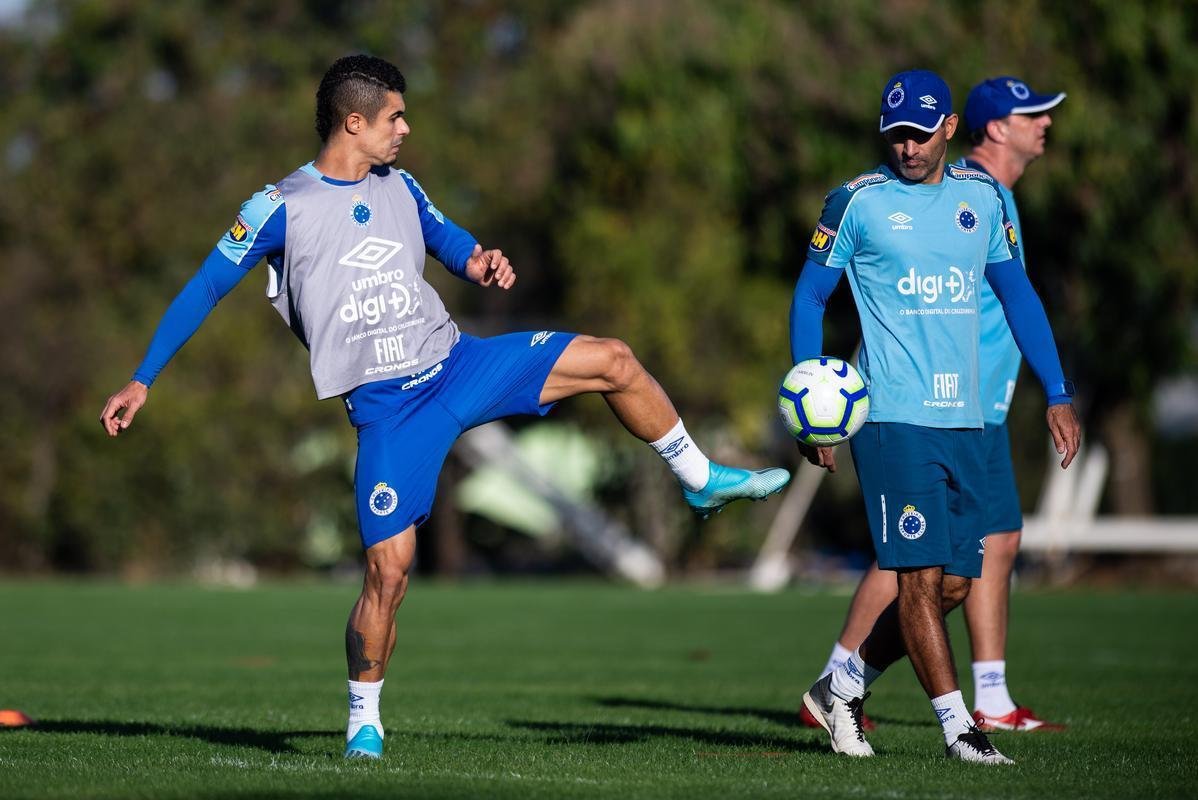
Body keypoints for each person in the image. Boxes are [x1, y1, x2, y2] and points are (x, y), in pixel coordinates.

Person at [99, 55, 790, 760]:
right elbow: (204, 288)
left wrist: (478, 261)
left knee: (613, 359)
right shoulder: (279, 207)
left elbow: (446, 237)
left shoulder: (400, 184)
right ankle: (363, 719)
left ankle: (700, 478)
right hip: (388, 413)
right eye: (395, 116)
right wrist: (143, 377)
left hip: (460, 366)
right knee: (388, 573)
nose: (406, 128)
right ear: (354, 121)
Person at [789, 69, 1080, 764]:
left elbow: (1018, 295)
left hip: (969, 421)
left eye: (920, 133)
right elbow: (809, 298)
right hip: (893, 416)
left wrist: (1059, 390)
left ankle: (844, 684)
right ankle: (962, 730)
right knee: (918, 577)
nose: (908, 147)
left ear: (949, 128)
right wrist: (811, 399)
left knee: (955, 583)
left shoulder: (985, 200)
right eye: (895, 136)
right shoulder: (855, 203)